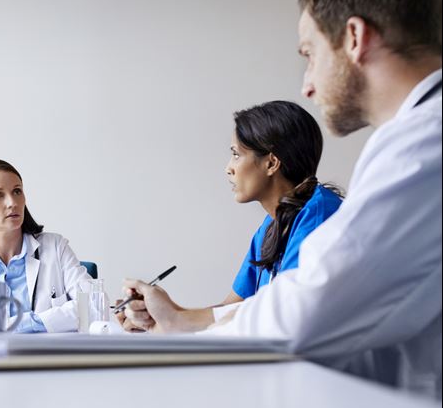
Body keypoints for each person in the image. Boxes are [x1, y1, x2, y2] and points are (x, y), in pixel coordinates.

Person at [122, 0, 441, 398]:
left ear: (354, 37)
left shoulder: (423, 147)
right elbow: (302, 299)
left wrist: (183, 331)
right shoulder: (413, 140)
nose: (307, 85)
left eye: (309, 54)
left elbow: (309, 309)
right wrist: (179, 321)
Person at [118, 101, 343, 333]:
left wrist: (175, 320)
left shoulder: (319, 216)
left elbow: (288, 312)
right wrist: (162, 317)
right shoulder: (272, 224)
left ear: (271, 163)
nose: (228, 168)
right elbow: (231, 309)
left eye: (236, 154)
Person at [0, 159, 92, 333]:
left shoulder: (55, 247)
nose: (12, 202)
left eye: (17, 191)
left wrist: (26, 323)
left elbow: (93, 304)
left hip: (47, 351)